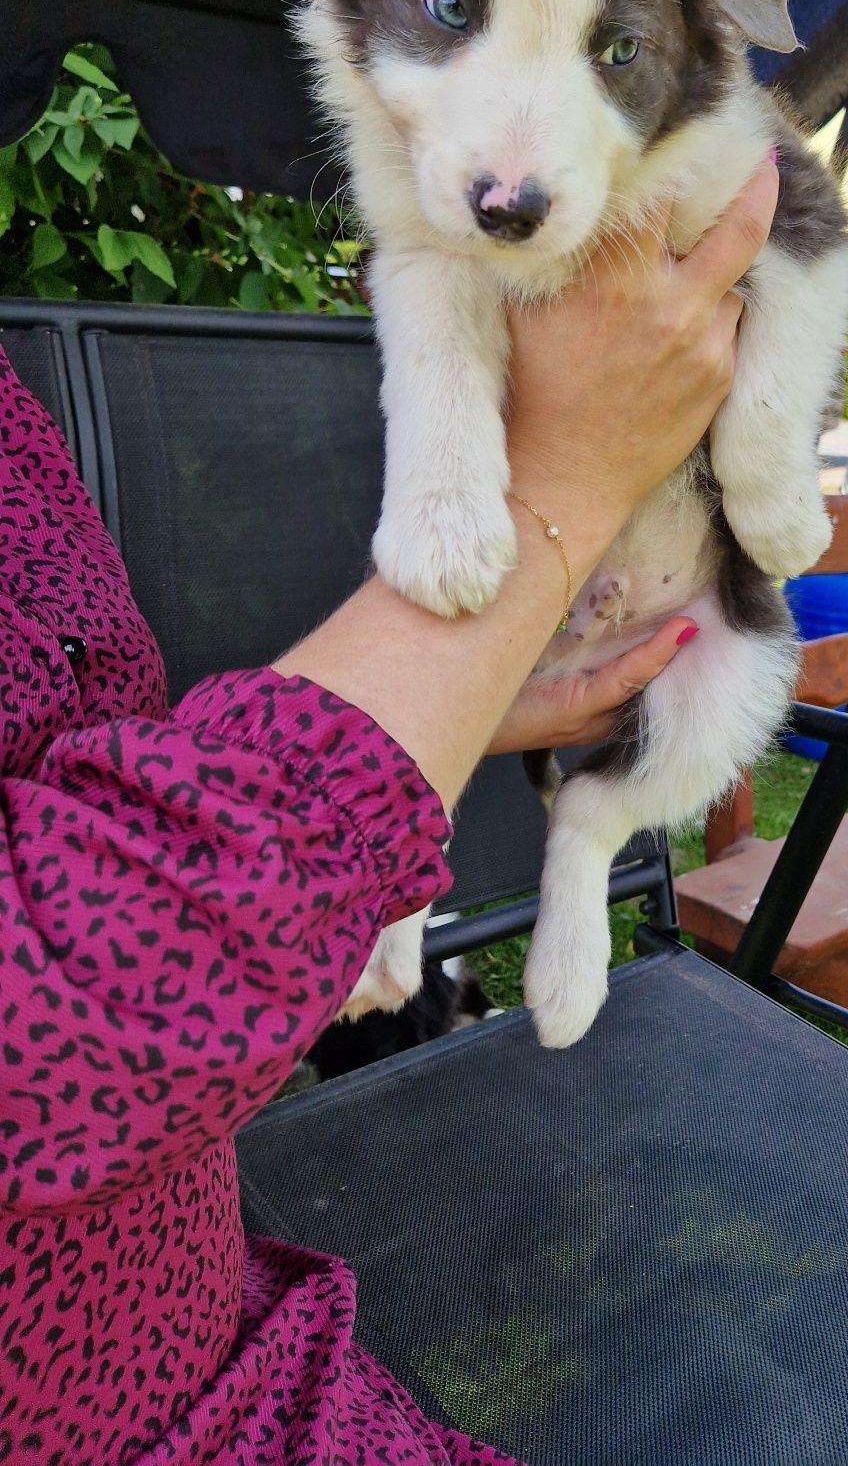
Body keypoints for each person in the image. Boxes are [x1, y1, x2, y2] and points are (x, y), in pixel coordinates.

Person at [0, 157, 780, 1466]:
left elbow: (57, 779)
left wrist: (447, 700)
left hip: (236, 1329)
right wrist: (563, 491)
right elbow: (42, 1040)